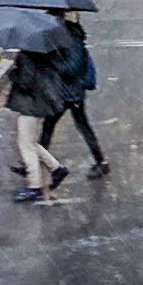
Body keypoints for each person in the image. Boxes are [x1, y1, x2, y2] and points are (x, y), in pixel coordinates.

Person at [38, 15, 109, 179]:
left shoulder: (72, 39)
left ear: (60, 19)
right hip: (62, 91)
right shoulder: (57, 38)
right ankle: (38, 160)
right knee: (49, 125)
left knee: (81, 126)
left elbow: (73, 67)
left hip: (72, 93)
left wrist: (53, 63)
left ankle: (101, 162)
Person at [6, 46, 68, 203]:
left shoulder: (27, 56)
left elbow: (26, 82)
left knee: (26, 145)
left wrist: (13, 74)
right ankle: (57, 168)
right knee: (31, 143)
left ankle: (34, 186)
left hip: (31, 105)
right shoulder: (44, 52)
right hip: (40, 103)